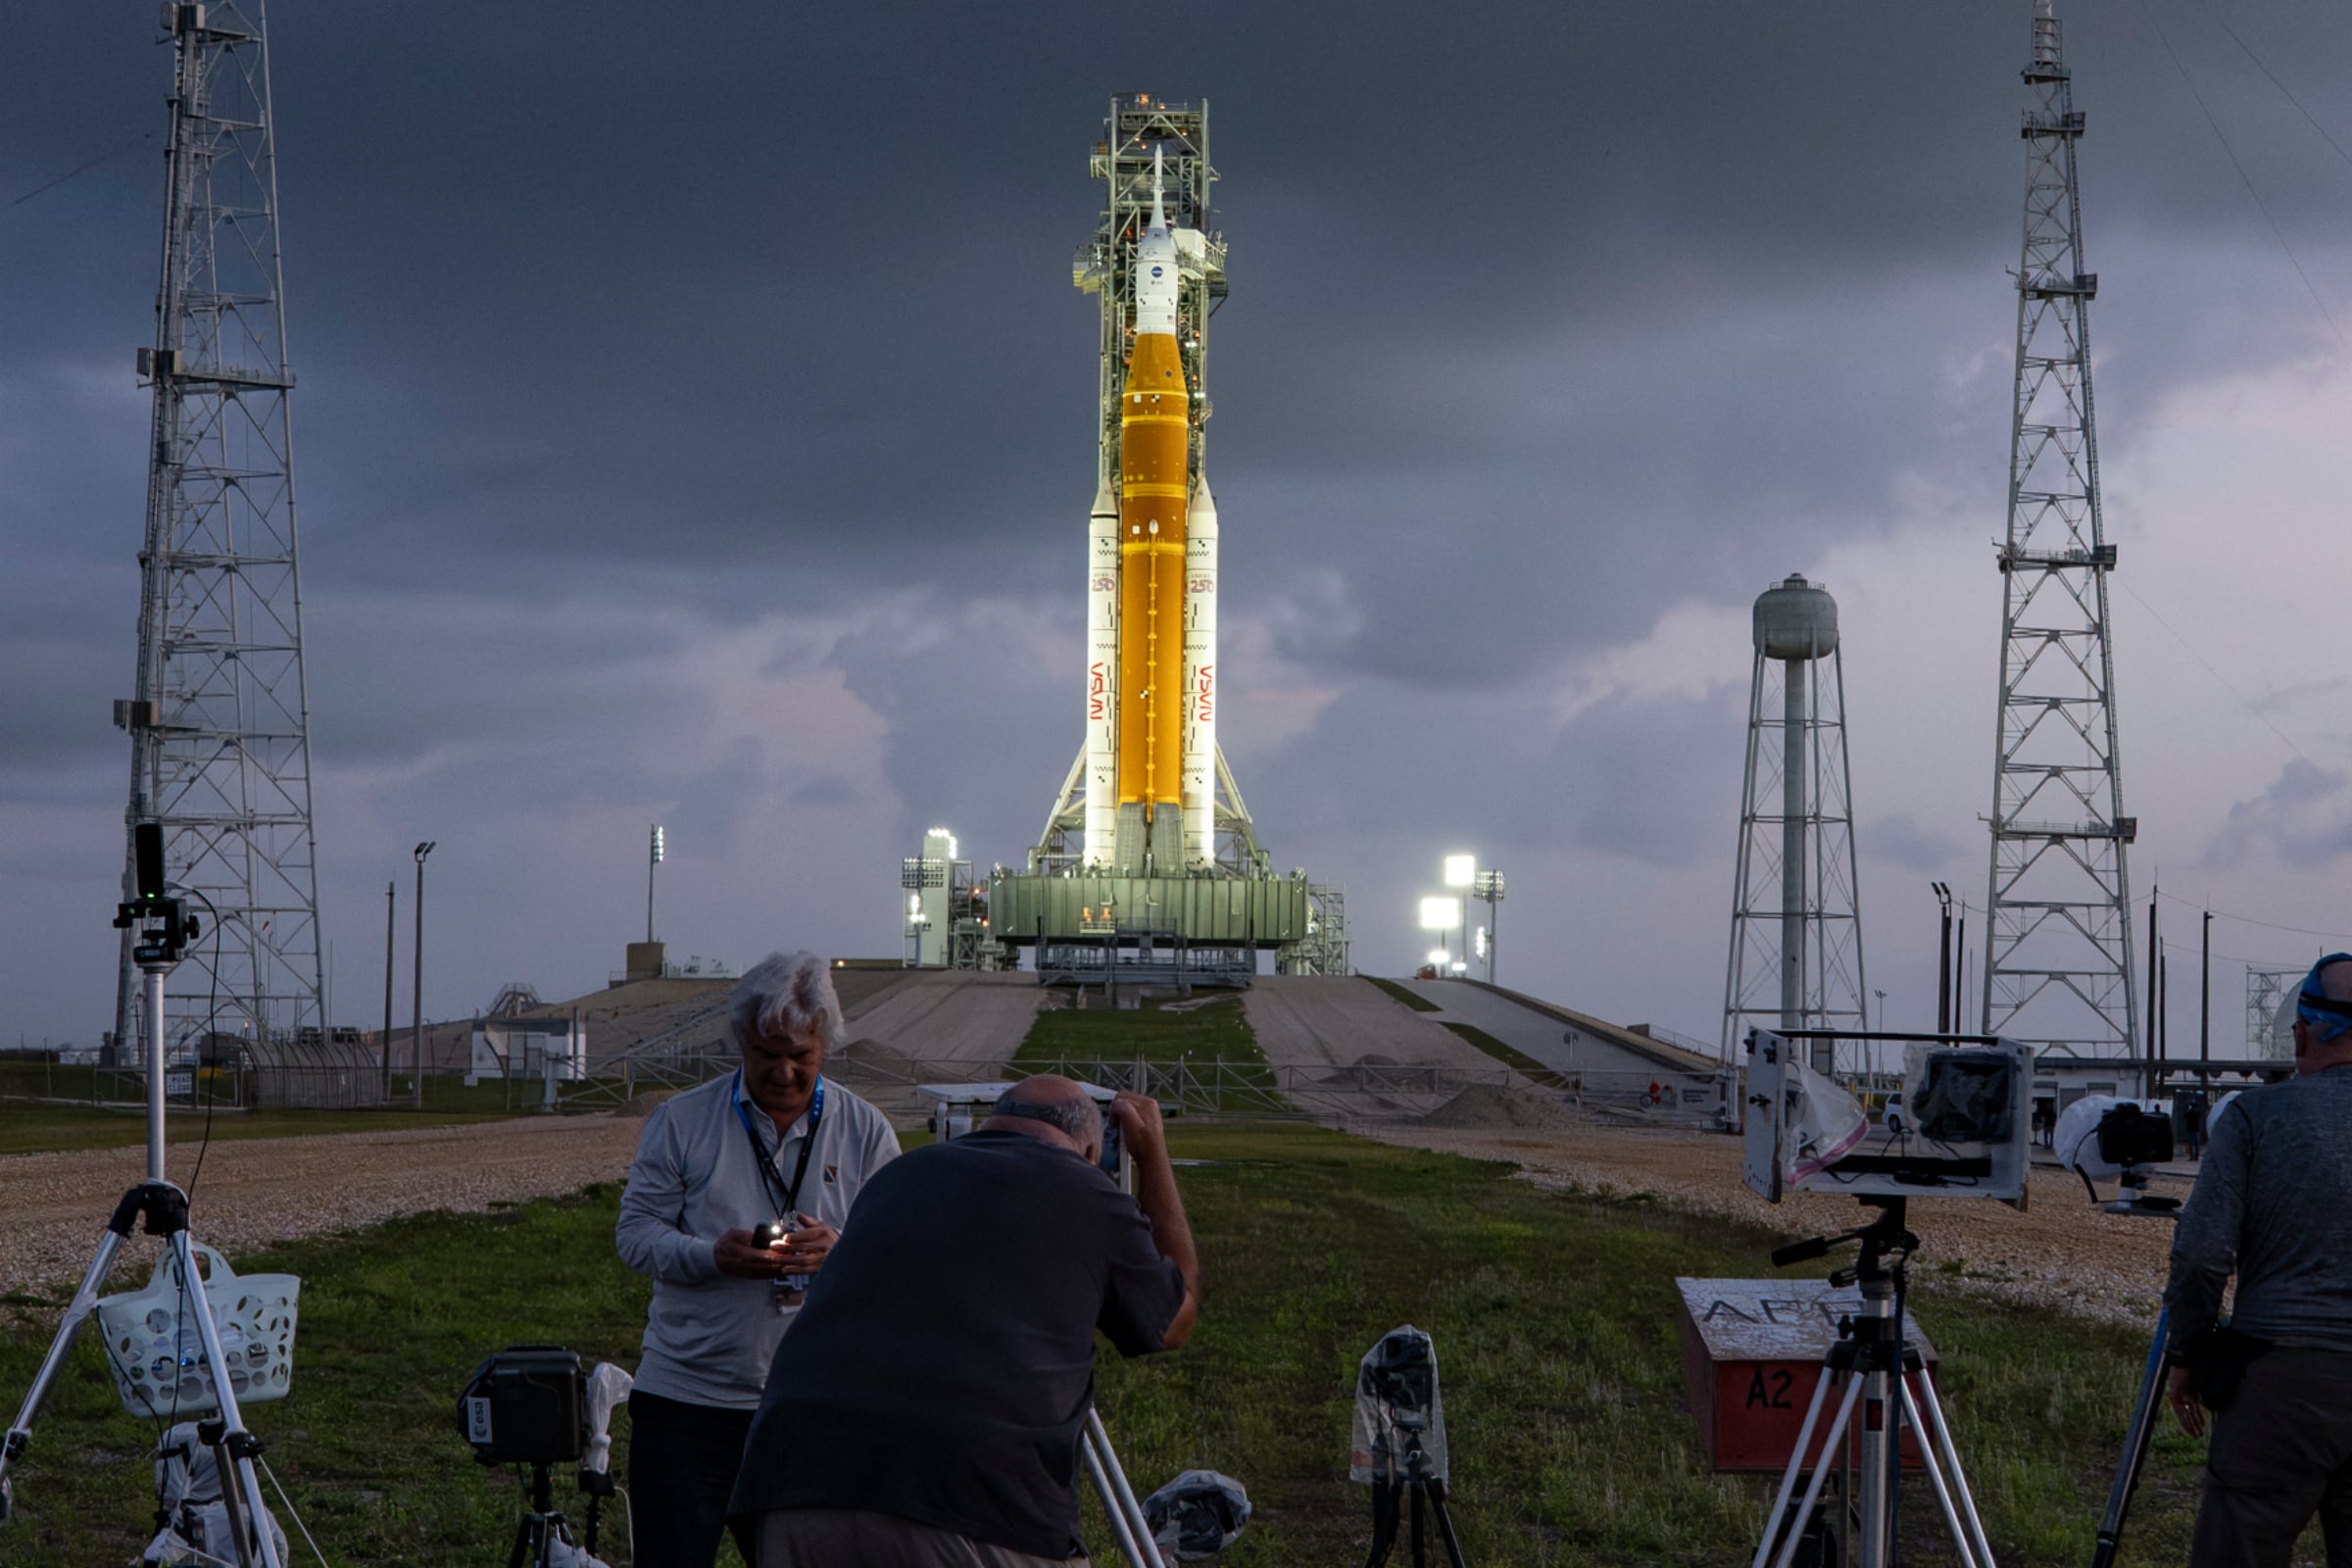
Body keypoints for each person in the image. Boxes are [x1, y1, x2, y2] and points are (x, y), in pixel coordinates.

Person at [729, 1075, 1200, 1567]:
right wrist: (1152, 1158)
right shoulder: (1086, 1190)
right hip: (972, 1500)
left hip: (791, 1479)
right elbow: (1171, 1322)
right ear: (1089, 1148)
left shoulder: (898, 1177)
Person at [614, 951, 901, 1568]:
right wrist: (710, 1256)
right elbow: (635, 1235)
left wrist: (842, 1255)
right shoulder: (682, 1121)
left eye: (802, 1056)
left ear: (826, 1044)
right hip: (687, 1404)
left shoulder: (867, 1131)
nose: (785, 1073)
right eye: (768, 1055)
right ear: (740, 1041)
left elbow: (902, 1261)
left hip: (812, 1407)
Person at [2165, 952, 2352, 1566]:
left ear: (2302, 1030)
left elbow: (2200, 1256)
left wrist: (2188, 1352)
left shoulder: (2254, 1117)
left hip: (2281, 1382)